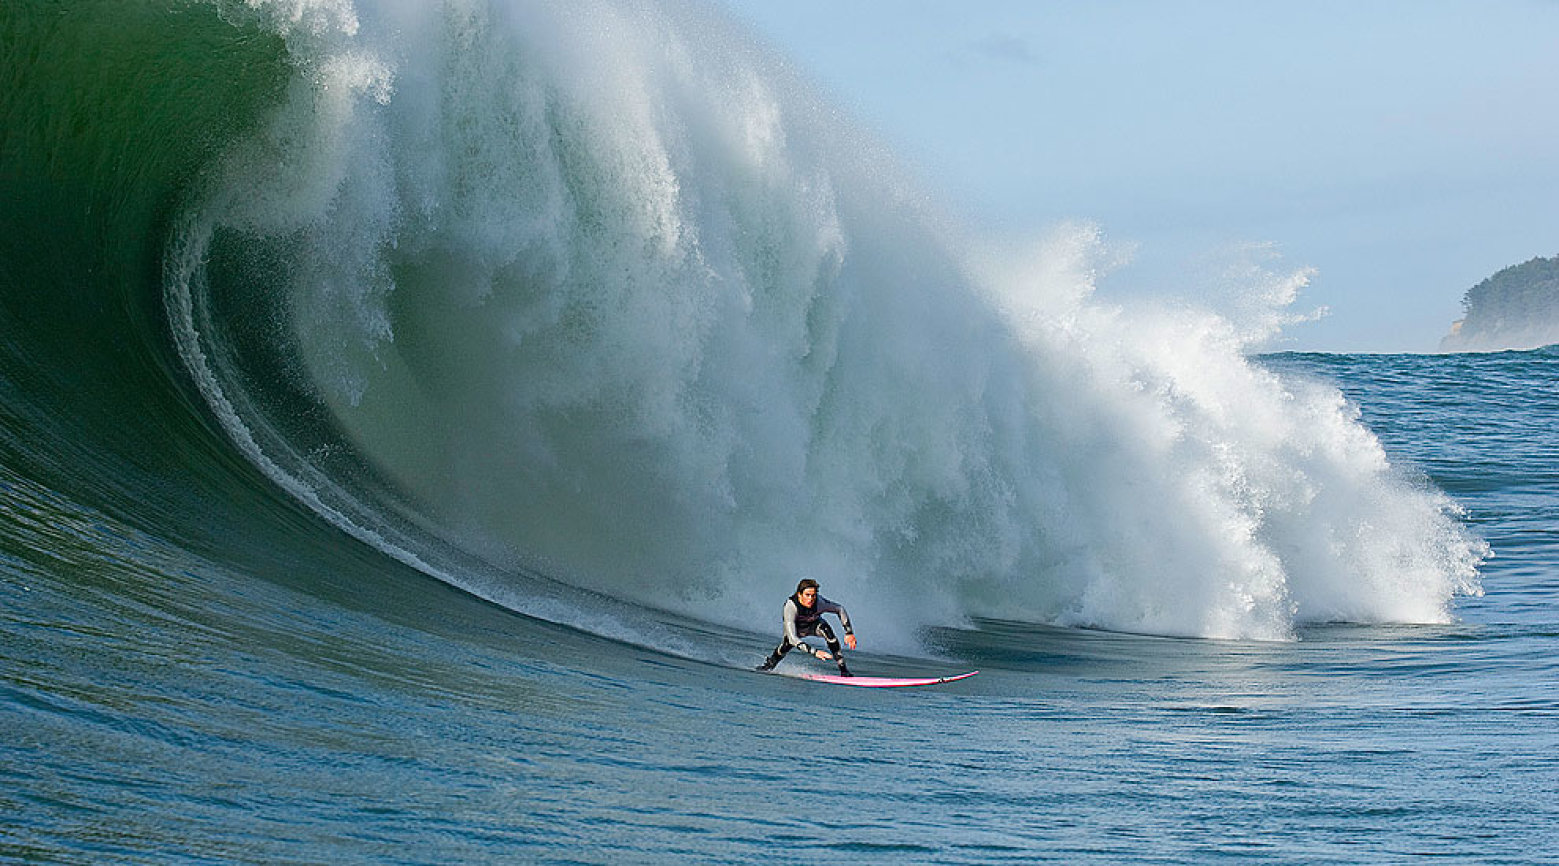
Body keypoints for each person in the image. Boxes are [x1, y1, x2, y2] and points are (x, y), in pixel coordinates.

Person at [756, 578, 857, 676]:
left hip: (814, 626)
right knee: (786, 645)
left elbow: (839, 609)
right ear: (799, 594)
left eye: (813, 595)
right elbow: (793, 639)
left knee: (828, 631)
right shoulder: (791, 606)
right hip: (797, 629)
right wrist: (815, 652)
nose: (810, 599)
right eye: (807, 595)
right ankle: (768, 666)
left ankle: (844, 670)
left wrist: (849, 632)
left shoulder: (819, 602)